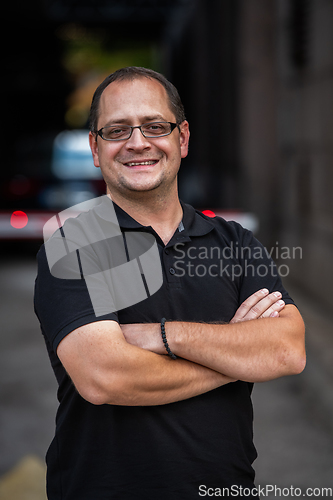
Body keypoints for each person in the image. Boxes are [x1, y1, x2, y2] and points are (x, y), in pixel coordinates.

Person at [34, 66, 306, 499]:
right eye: (117, 130)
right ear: (94, 147)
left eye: (155, 126)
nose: (138, 142)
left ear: (181, 138)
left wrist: (163, 335)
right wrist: (234, 355)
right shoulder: (74, 244)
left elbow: (287, 351)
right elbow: (105, 377)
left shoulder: (234, 242)